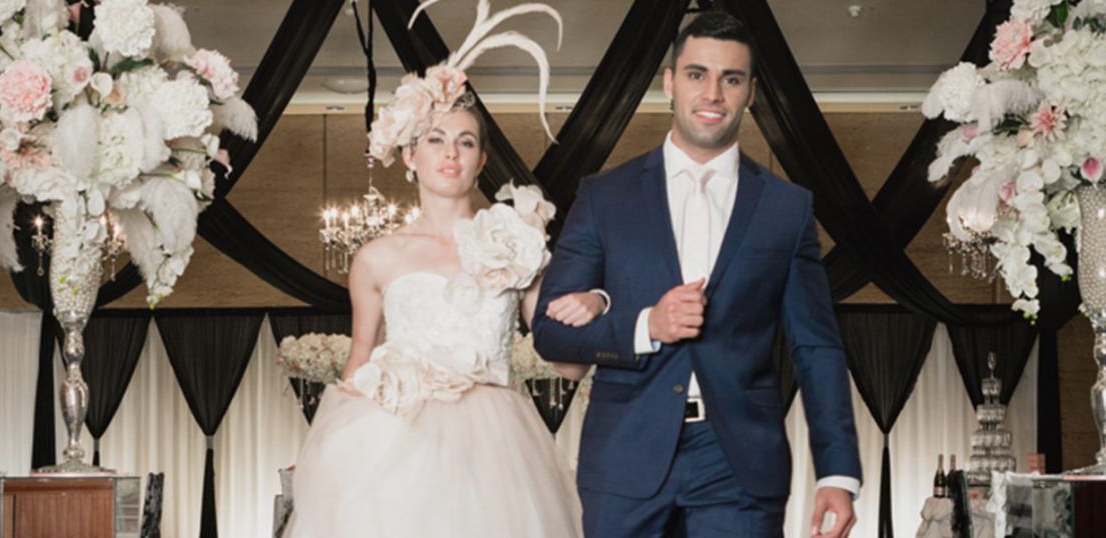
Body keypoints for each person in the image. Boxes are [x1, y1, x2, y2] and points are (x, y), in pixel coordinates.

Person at [533, 11, 862, 538]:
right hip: (625, 456)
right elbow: (550, 333)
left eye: (730, 79)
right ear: (669, 82)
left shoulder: (787, 208)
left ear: (751, 92)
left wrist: (838, 472)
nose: (712, 93)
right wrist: (646, 325)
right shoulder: (604, 196)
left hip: (740, 464)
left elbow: (816, 347)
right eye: (696, 74)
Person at [283, 2, 601, 536]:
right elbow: (359, 364)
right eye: (435, 139)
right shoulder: (376, 258)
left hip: (498, 452)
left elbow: (567, 363)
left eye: (465, 142)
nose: (450, 153)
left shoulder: (516, 244)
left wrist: (592, 308)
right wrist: (331, 457)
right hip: (396, 447)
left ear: (481, 162)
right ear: (410, 155)